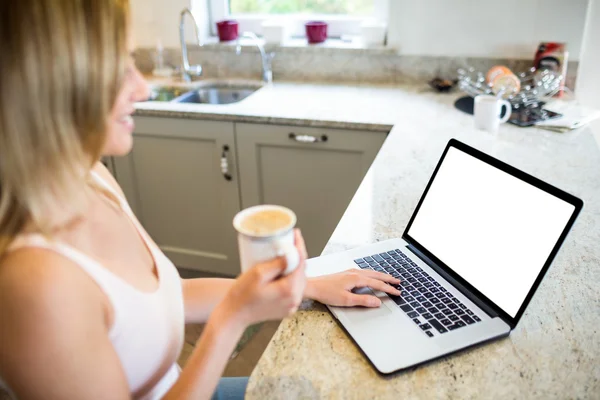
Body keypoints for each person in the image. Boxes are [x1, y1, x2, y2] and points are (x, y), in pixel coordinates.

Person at [0, 1, 402, 399]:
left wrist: (308, 285)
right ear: (48, 86)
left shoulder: (92, 179)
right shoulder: (35, 287)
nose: (141, 88)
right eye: (117, 69)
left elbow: (167, 298)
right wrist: (231, 321)